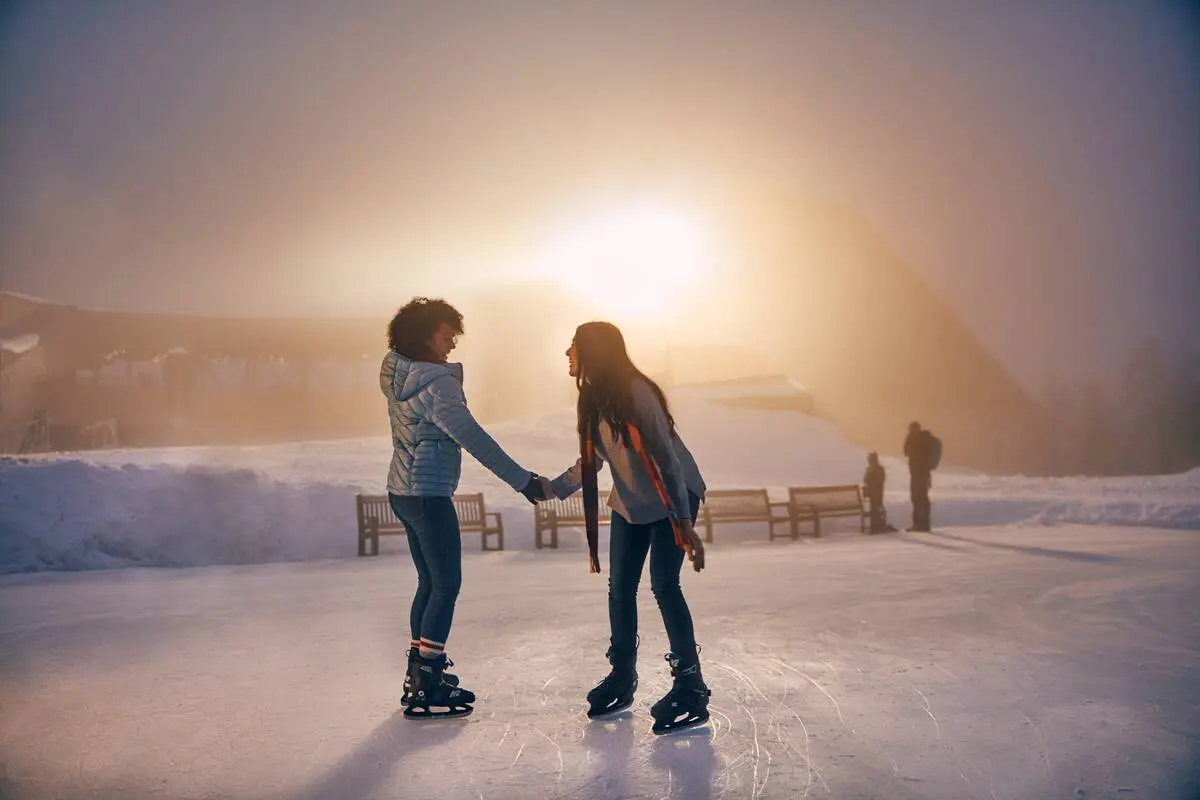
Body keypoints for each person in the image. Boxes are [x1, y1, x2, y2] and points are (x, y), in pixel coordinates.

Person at [381, 297, 548, 719]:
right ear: (423, 335)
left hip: (402, 490)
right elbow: (473, 437)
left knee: (428, 582)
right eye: (445, 333)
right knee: (445, 585)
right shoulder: (436, 384)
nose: (452, 341)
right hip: (428, 492)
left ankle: (419, 674)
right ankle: (428, 682)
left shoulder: (400, 374)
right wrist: (523, 480)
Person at [545, 321, 711, 734]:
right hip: (631, 503)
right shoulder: (590, 398)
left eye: (573, 346)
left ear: (594, 351)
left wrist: (684, 521)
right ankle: (622, 675)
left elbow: (667, 459)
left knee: (663, 585)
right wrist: (552, 488)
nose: (568, 353)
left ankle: (691, 685)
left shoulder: (637, 392)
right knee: (620, 587)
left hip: (674, 495)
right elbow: (592, 459)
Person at [903, 421, 933, 532]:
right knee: (923, 498)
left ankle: (918, 524)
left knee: (916, 498)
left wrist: (909, 437)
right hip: (924, 473)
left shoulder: (915, 440)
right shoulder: (925, 439)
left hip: (917, 473)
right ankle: (924, 523)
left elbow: (906, 451)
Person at [862, 451, 893, 533]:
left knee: (874, 508)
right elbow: (881, 480)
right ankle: (877, 526)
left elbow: (865, 480)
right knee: (876, 507)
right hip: (877, 493)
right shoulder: (879, 469)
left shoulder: (871, 469)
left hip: (874, 494)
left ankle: (876, 526)